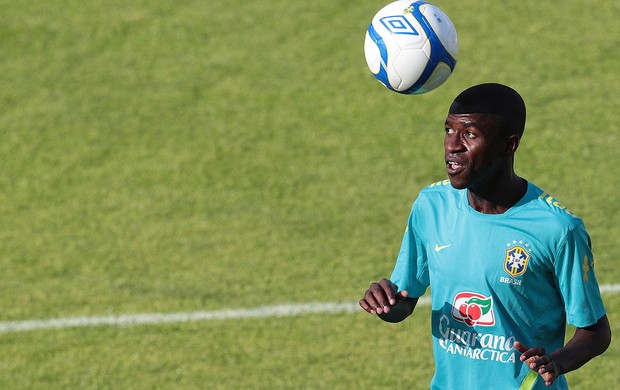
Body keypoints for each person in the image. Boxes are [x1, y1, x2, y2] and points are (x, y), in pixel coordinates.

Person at [359, 83, 611, 389]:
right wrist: (385, 304)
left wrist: (557, 361)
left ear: (509, 145)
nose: (452, 145)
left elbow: (596, 331)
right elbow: (404, 300)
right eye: (448, 130)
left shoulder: (558, 229)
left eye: (469, 134)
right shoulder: (431, 206)